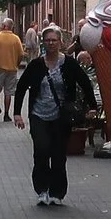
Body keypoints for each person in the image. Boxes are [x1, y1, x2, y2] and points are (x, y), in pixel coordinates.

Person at [15, 25, 93, 206]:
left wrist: (92, 106)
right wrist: (17, 113)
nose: (51, 43)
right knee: (41, 151)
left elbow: (85, 82)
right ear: (43, 42)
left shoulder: (69, 64)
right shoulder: (36, 65)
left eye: (54, 40)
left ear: (60, 42)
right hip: (38, 115)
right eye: (47, 40)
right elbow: (21, 87)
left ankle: (57, 192)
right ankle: (42, 189)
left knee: (58, 155)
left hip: (61, 116)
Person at [0, 17, 24, 122]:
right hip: (12, 68)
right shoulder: (16, 39)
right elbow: (21, 54)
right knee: (8, 92)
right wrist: (16, 63)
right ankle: (7, 114)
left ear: (4, 26)